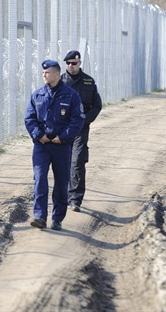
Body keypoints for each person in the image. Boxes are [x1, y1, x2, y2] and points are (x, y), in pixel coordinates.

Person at [25, 59, 84, 230]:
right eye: (43, 73)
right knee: (40, 179)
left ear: (57, 74)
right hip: (41, 146)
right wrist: (39, 135)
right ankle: (39, 216)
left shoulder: (71, 95)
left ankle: (57, 218)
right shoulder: (37, 95)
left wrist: (63, 137)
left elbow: (77, 120)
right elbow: (29, 118)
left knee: (61, 182)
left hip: (61, 146)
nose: (44, 75)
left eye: (48, 72)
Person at [61, 50, 102, 213]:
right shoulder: (59, 81)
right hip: (62, 128)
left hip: (80, 129)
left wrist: (84, 120)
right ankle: (61, 197)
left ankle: (75, 199)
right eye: (69, 63)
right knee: (62, 162)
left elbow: (97, 105)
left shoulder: (88, 82)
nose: (71, 66)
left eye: (74, 63)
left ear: (80, 63)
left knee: (77, 162)